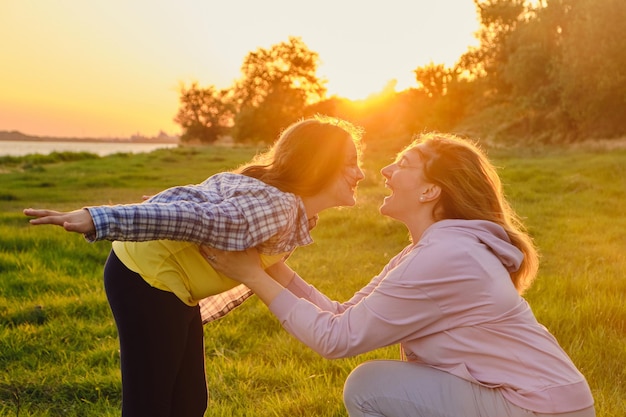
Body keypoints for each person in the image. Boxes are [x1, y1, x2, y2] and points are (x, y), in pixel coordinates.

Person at [203, 132, 595, 417]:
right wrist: (278, 270)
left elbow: (336, 339)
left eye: (404, 164)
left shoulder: (445, 255)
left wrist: (254, 277)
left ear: (430, 192)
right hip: (539, 401)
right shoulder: (431, 249)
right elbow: (343, 314)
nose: (386, 170)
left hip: (538, 407)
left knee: (369, 385)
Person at [22, 115, 365, 417]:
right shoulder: (277, 209)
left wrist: (336, 316)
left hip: (172, 287)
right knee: (150, 406)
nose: (360, 173)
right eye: (350, 163)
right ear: (320, 164)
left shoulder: (293, 211)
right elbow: (193, 217)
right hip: (147, 281)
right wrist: (97, 218)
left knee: (188, 403)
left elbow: (207, 203)